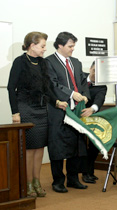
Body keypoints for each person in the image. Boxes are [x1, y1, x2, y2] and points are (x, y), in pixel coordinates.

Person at [7, 32, 68, 197]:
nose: (44, 49)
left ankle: (36, 181)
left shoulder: (43, 63)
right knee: (28, 149)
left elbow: (47, 88)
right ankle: (27, 183)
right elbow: (11, 88)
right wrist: (15, 112)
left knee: (40, 148)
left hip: (42, 110)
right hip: (25, 109)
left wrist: (56, 101)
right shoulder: (20, 62)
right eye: (42, 46)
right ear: (32, 45)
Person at [46, 32, 90, 193]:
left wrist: (84, 95)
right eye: (70, 46)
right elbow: (51, 84)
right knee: (57, 147)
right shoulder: (49, 62)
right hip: (59, 111)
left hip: (76, 111)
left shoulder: (76, 63)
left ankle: (73, 179)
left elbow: (83, 81)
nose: (73, 49)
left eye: (73, 46)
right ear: (60, 45)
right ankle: (58, 181)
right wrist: (71, 94)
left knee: (76, 146)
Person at [80, 61, 107, 184]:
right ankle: (83, 172)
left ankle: (89, 172)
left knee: (94, 146)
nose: (96, 74)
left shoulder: (102, 86)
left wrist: (92, 109)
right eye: (95, 70)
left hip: (91, 118)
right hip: (76, 117)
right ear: (90, 68)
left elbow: (99, 100)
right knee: (80, 146)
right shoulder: (80, 77)